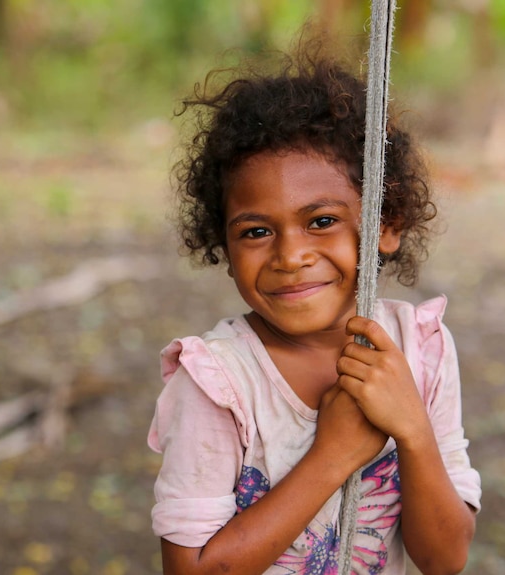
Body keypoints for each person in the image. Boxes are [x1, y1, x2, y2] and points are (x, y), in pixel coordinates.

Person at [147, 40, 481, 575]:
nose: (291, 256)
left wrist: (412, 430)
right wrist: (335, 455)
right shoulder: (218, 382)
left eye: (321, 221)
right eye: (256, 231)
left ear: (385, 224)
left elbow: (446, 558)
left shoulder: (420, 347)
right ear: (224, 248)